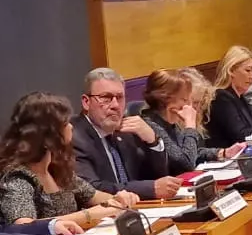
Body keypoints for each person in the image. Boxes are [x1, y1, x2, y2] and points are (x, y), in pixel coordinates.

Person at [0, 93, 127, 226]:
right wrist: (87, 215)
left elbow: (94, 196)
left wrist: (117, 199)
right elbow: (25, 226)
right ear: (46, 134)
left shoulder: (56, 167)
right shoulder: (17, 176)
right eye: (66, 123)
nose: (71, 126)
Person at [73, 67, 181, 201]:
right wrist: (150, 188)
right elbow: (92, 189)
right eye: (106, 98)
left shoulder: (125, 130)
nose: (115, 105)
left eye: (119, 97)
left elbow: (156, 177)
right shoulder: (74, 137)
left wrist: (152, 140)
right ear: (86, 102)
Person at [205, 45, 252, 148]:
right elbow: (242, 136)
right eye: (248, 70)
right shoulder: (220, 98)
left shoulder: (239, 97)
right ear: (231, 70)